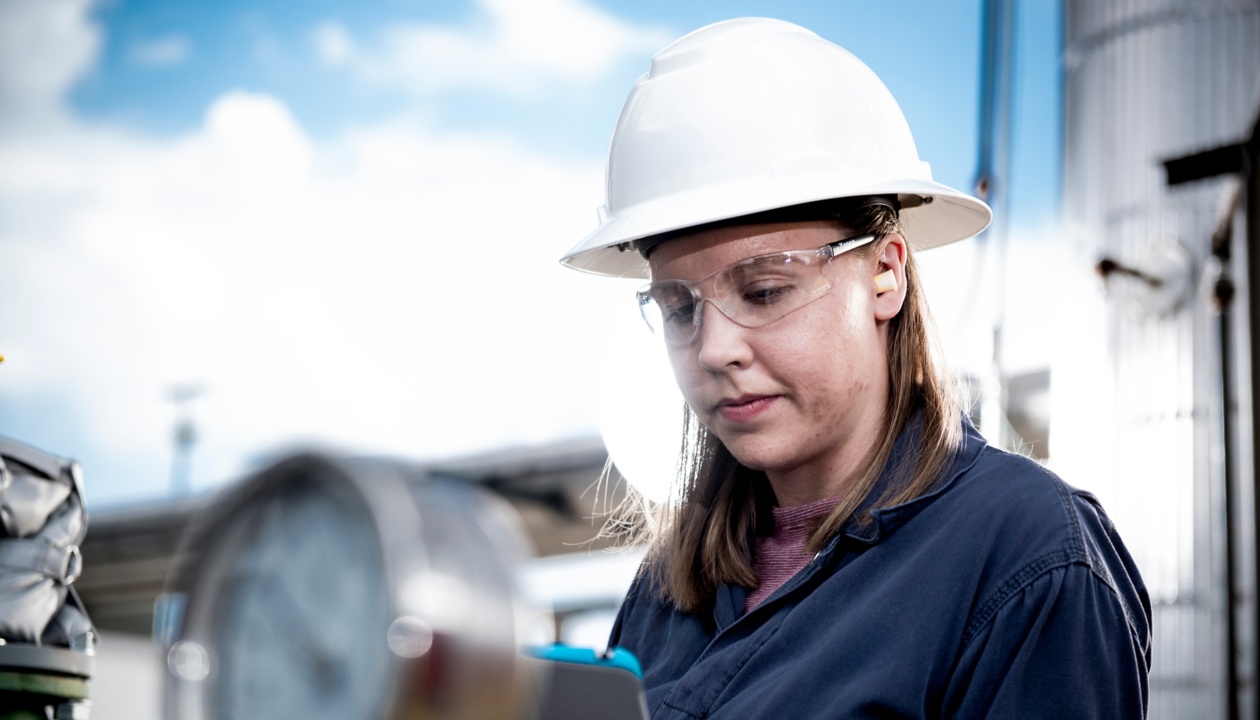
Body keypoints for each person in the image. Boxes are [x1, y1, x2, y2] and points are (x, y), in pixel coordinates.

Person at [559, 17, 1151, 720]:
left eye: (765, 290)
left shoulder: (1028, 558)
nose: (715, 349)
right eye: (679, 307)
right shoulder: (668, 586)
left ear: (884, 275)